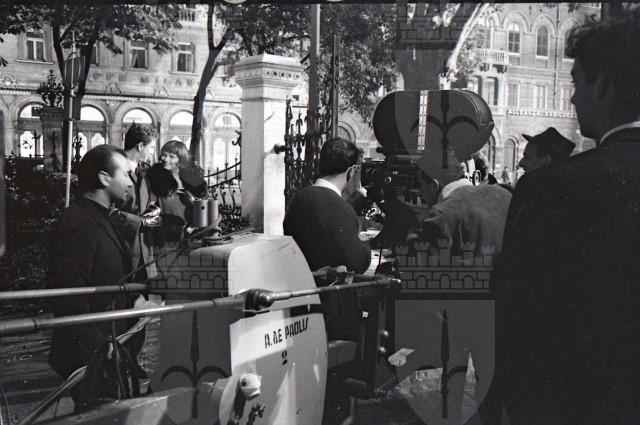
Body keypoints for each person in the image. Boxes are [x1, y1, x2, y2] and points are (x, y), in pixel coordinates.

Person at [488, 10, 640, 425]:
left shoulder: (551, 189)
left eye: (576, 83)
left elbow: (518, 327)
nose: (572, 99)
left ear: (603, 83)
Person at [48, 145, 139, 408]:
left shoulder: (99, 217)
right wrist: (99, 345)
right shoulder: (78, 222)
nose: (130, 183)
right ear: (104, 178)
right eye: (125, 174)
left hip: (106, 348)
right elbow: (66, 291)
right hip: (92, 355)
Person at [283, 137, 371, 274]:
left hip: (300, 279)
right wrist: (367, 247)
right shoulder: (342, 209)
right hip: (328, 286)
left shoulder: (299, 198)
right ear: (351, 171)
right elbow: (357, 263)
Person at [110, 123, 159, 281]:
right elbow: (106, 210)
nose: (152, 152)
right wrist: (139, 222)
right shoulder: (113, 169)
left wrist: (154, 210)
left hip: (144, 254)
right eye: (151, 147)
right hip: (122, 251)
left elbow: (148, 201)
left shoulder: (143, 172)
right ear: (140, 146)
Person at [147, 140, 208, 243]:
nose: (166, 159)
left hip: (190, 235)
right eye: (164, 155)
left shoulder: (189, 179)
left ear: (181, 160)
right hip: (166, 237)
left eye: (172, 157)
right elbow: (149, 214)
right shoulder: (155, 179)